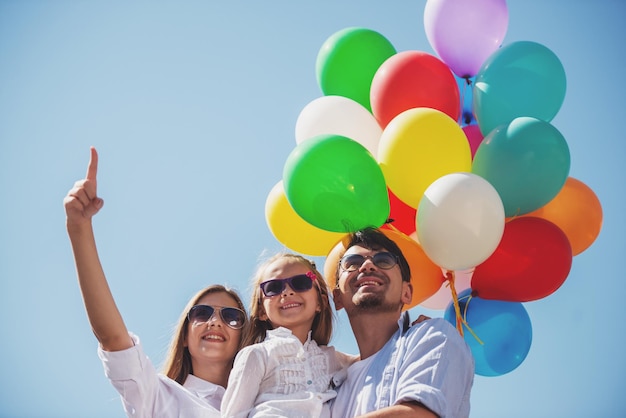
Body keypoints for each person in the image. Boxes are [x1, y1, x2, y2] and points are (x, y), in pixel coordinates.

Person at [64, 147, 248, 417]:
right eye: (202, 313)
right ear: (185, 336)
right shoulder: (157, 397)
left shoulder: (266, 402)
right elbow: (113, 338)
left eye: (231, 316)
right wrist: (78, 228)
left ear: (243, 337)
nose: (215, 321)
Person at [328, 227, 475, 418]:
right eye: (352, 263)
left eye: (384, 261)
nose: (367, 266)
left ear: (407, 293)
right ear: (337, 297)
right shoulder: (328, 378)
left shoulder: (433, 336)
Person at [221, 253, 357, 418]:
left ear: (320, 302)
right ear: (262, 311)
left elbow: (374, 356)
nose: (287, 292)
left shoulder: (333, 359)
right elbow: (234, 414)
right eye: (273, 288)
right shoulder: (257, 355)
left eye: (301, 283)